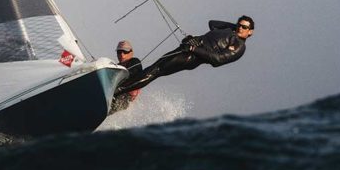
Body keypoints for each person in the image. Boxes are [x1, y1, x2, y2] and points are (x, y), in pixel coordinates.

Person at [114, 15, 255, 95]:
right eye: (239, 25)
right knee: (153, 67)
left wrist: (194, 49)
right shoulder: (231, 30)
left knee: (155, 71)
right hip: (186, 49)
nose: (240, 28)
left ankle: (118, 91)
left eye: (244, 27)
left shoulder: (239, 46)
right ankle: (120, 88)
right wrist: (234, 26)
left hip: (191, 57)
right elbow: (212, 23)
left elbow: (217, 60)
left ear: (250, 32)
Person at [109, 40, 143, 114]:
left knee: (112, 106)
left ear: (131, 52)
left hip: (126, 98)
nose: (122, 54)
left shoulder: (135, 61)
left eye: (125, 52)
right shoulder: (117, 66)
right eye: (119, 52)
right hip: (114, 96)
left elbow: (133, 72)